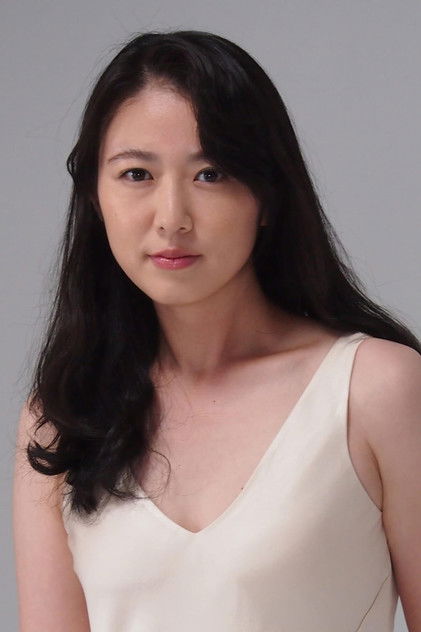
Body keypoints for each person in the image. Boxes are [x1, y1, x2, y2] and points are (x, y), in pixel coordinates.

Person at [13, 29, 421, 631]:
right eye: (136, 174)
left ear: (268, 194)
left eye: (211, 174)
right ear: (95, 196)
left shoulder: (376, 390)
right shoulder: (63, 416)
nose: (172, 218)